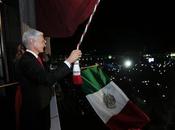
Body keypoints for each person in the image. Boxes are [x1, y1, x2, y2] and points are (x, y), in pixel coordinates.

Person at [16, 28, 82, 130]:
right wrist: (69, 60)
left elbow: (50, 73)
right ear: (32, 41)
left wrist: (70, 63)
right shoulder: (26, 60)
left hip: (43, 106)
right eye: (42, 40)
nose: (45, 42)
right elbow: (47, 79)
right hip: (34, 113)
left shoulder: (36, 58)